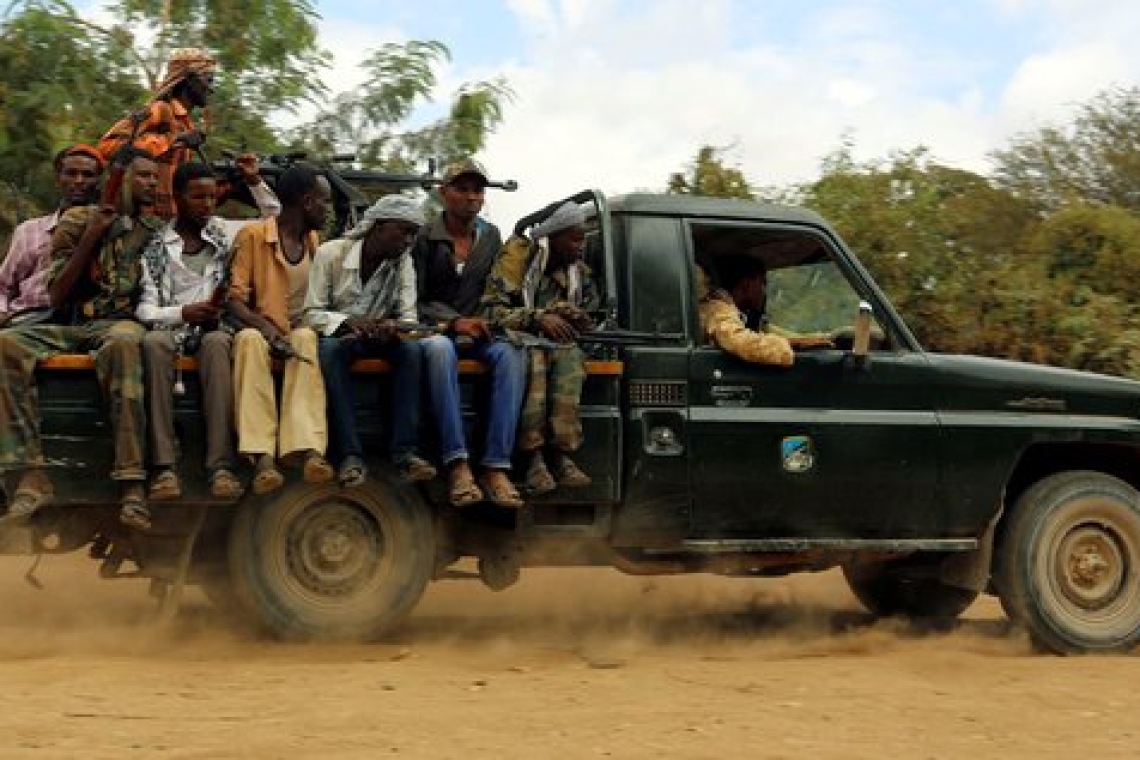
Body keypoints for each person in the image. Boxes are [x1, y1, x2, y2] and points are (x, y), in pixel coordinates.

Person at [0, 153, 163, 529]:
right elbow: (57, 295)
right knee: (7, 343)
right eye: (140, 177)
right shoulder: (73, 222)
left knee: (124, 343)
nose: (149, 185)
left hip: (119, 325)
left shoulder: (154, 229)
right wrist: (92, 234)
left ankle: (131, 483)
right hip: (68, 323)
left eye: (153, 179)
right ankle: (31, 473)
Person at [137, 158, 280, 502]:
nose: (206, 205)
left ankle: (221, 467)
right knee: (154, 342)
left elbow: (271, 215)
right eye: (197, 198)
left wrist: (254, 179)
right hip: (171, 331)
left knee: (218, 343)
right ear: (177, 198)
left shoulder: (224, 231)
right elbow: (145, 308)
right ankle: (164, 467)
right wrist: (183, 312)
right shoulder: (156, 245)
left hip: (212, 333)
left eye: (212, 198)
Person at [412, 159, 526, 508]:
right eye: (462, 188)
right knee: (439, 351)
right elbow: (412, 299)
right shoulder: (424, 236)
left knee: (512, 354)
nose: (471, 196)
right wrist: (451, 322)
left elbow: (497, 291)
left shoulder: (491, 236)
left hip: (479, 333)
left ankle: (495, 467)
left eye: (477, 190)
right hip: (435, 331)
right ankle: (458, 463)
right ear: (443, 193)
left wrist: (485, 321)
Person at [305, 194, 438, 487]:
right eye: (403, 231)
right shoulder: (332, 253)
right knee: (329, 351)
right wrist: (347, 323)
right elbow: (311, 313)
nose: (408, 241)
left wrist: (393, 326)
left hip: (381, 337)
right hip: (342, 337)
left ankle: (405, 453)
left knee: (411, 351)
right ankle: (350, 454)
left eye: (413, 234)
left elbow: (408, 317)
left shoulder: (403, 262)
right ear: (378, 227)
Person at [227, 164, 334, 495]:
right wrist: (265, 327)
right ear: (305, 201)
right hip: (259, 328)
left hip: (298, 332)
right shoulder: (254, 237)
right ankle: (261, 456)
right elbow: (234, 300)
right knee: (248, 340)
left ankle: (307, 449)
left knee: (305, 337)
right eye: (324, 201)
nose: (327, 209)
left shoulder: (315, 241)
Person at [484, 201, 600, 495]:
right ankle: (533, 456)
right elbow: (490, 312)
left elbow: (593, 317)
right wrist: (537, 318)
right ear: (554, 237)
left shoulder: (578, 273)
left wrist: (581, 319)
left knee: (571, 356)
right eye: (574, 238)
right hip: (514, 341)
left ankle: (561, 454)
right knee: (534, 357)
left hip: (558, 346)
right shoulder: (517, 259)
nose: (580, 246)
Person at [97, 47, 217, 219]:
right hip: (142, 217)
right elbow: (106, 146)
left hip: (168, 216)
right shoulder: (159, 110)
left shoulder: (186, 123)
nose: (211, 89)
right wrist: (172, 140)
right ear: (190, 80)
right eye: (209, 80)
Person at [0, 145, 104, 327]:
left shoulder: (111, 231)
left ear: (98, 181)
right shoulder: (29, 230)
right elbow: (3, 285)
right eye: (71, 173)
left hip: (83, 324)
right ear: (58, 179)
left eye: (88, 175)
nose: (79, 181)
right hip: (27, 319)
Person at [698, 255, 830, 364]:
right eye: (762, 283)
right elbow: (740, 341)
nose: (764, 291)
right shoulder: (718, 308)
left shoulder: (739, 313)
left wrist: (817, 338)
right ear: (746, 285)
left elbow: (766, 332)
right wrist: (786, 348)